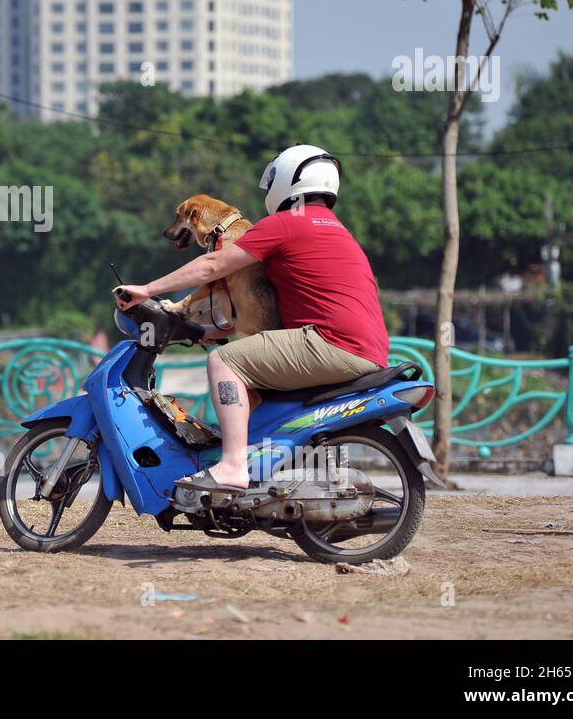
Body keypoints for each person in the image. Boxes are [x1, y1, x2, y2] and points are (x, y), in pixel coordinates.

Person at [113, 144, 389, 490]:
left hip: (329, 343)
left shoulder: (288, 223)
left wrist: (148, 289)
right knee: (252, 386)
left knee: (223, 363)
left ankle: (231, 467)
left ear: (289, 179)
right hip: (366, 348)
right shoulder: (334, 228)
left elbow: (213, 264)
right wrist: (215, 326)